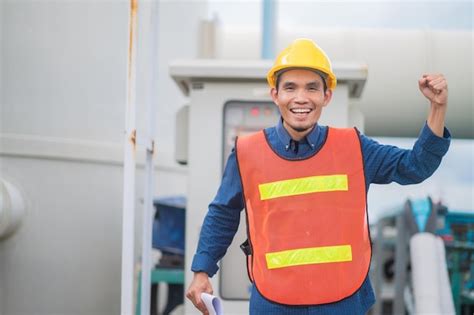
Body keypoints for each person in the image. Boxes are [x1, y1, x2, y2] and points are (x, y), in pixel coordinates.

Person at [186, 38, 450, 314]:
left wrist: (438, 108)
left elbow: (416, 166)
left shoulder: (355, 148)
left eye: (312, 88)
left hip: (344, 301)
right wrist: (202, 269)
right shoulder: (246, 152)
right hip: (273, 302)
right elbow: (223, 214)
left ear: (326, 96)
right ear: (275, 94)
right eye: (290, 88)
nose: (301, 98)